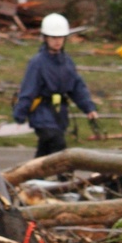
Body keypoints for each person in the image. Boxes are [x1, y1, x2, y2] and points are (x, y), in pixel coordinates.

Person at [13, 13, 98, 156]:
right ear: (45, 38)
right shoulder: (37, 63)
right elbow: (28, 90)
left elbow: (77, 87)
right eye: (53, 38)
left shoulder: (67, 62)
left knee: (45, 150)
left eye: (60, 37)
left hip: (59, 113)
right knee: (56, 143)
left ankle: (33, 175)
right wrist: (20, 114)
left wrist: (89, 108)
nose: (57, 41)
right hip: (41, 112)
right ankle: (65, 177)